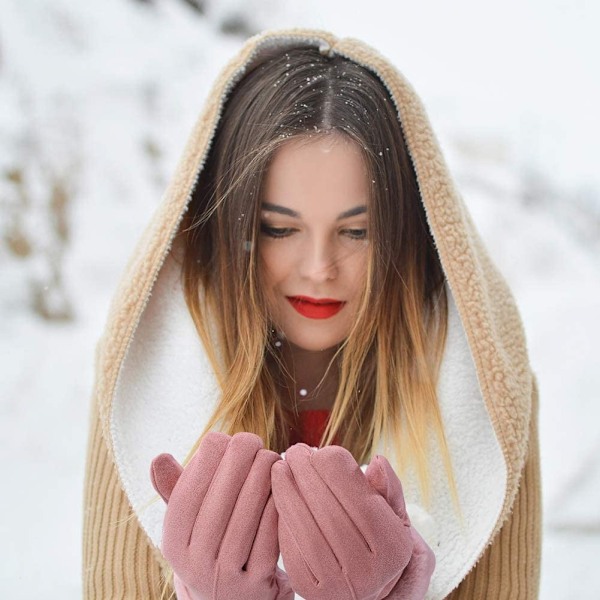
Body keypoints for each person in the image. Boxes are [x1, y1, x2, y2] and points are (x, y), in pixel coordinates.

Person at [82, 28, 542, 599]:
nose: (320, 267)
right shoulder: (140, 381)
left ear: (407, 236)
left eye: (357, 231)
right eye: (279, 229)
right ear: (231, 230)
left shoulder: (484, 399)